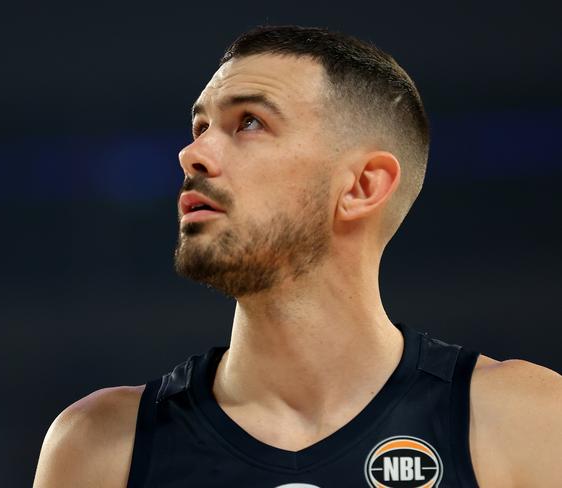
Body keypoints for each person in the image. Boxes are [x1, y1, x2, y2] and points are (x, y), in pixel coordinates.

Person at [33, 25, 562, 487]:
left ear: (361, 186)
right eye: (201, 128)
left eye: (249, 123)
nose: (192, 153)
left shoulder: (526, 423)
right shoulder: (100, 448)